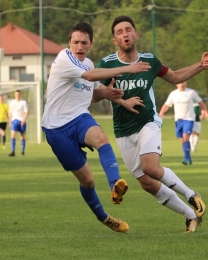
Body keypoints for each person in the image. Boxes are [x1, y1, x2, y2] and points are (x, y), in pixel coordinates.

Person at [95, 15, 208, 233]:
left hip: (148, 122)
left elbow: (175, 77)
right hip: (123, 130)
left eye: (128, 30)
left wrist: (201, 65)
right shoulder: (106, 64)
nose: (125, 34)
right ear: (114, 41)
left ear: (136, 35)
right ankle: (190, 215)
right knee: (146, 182)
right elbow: (97, 94)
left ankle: (192, 195)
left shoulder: (150, 61)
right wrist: (120, 100)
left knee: (150, 167)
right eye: (119, 32)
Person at [41, 22, 151, 233]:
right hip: (56, 129)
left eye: (84, 43)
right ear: (69, 43)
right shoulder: (65, 59)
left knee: (101, 138)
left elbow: (93, 92)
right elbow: (90, 78)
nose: (79, 47)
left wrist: (119, 100)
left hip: (80, 118)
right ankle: (104, 217)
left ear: (91, 44)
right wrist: (128, 68)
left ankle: (115, 184)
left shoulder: (89, 64)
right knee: (88, 181)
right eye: (75, 42)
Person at [159, 82, 208, 163]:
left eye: (183, 82)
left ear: (186, 83)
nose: (181, 84)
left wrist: (206, 112)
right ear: (176, 84)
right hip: (178, 120)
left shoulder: (191, 92)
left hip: (189, 119)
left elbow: (200, 102)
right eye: (180, 83)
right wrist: (161, 112)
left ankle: (186, 158)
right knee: (182, 140)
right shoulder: (173, 94)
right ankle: (188, 158)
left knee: (186, 137)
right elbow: (167, 104)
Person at [8, 90, 28, 156]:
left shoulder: (23, 102)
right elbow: (10, 112)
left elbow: (26, 112)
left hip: (21, 120)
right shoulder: (12, 102)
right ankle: (13, 151)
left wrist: (24, 120)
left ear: (20, 94)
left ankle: (22, 151)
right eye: (16, 94)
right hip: (14, 120)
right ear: (14, 95)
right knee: (13, 135)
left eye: (19, 94)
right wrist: (10, 121)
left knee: (22, 136)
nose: (17, 95)